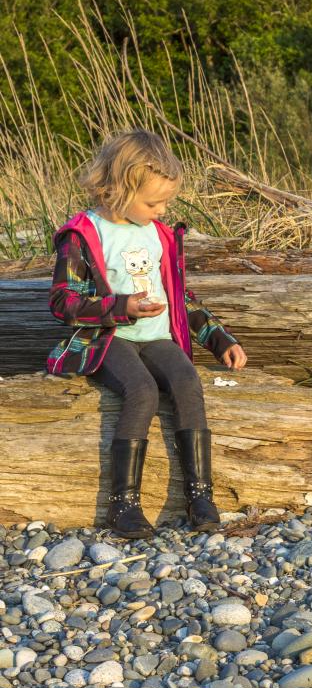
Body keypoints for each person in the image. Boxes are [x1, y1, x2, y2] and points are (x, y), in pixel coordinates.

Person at [47, 128, 248, 539]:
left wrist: (217, 337)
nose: (161, 209)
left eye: (166, 202)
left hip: (157, 336)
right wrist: (122, 307)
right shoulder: (84, 233)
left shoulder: (157, 234)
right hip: (108, 339)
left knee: (188, 381)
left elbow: (179, 296)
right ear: (119, 189)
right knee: (141, 389)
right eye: (153, 202)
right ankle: (124, 504)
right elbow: (63, 302)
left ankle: (200, 493)